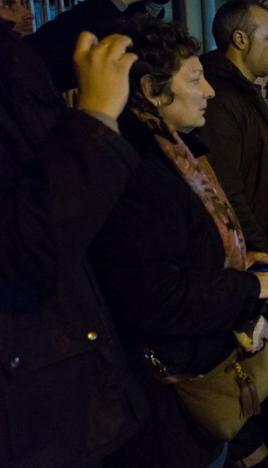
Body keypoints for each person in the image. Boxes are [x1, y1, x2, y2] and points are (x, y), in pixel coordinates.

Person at [84, 18, 268, 467]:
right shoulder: (139, 169)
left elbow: (190, 244)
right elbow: (155, 294)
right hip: (166, 396)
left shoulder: (175, 149)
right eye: (194, 79)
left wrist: (240, 255)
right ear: (153, 91)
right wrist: (248, 287)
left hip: (190, 374)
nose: (209, 90)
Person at [0, 1, 150, 461]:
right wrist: (96, 121)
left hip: (61, 385)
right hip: (35, 410)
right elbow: (23, 252)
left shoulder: (14, 57)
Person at [196, 0, 268, 462]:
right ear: (239, 40)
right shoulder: (223, 98)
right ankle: (252, 438)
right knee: (251, 350)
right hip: (256, 256)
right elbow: (229, 187)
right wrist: (259, 250)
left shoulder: (244, 90)